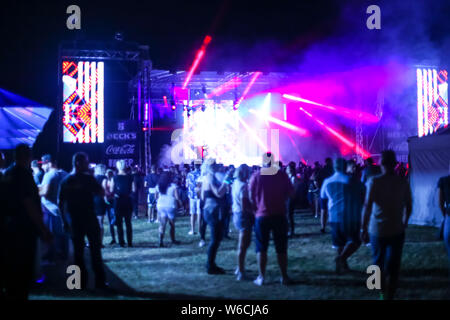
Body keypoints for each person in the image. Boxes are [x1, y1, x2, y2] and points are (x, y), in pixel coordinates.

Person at [2, 144, 52, 299]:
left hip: (10, 227)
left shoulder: (9, 173)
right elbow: (28, 203)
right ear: (27, 156)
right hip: (23, 228)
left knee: (12, 269)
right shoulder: (23, 175)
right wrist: (42, 228)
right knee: (23, 270)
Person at [361, 150, 412, 300]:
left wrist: (363, 228)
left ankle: (381, 294)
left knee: (377, 263)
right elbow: (409, 206)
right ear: (395, 164)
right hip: (396, 229)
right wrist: (404, 223)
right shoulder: (402, 182)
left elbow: (367, 206)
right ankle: (390, 295)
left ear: (381, 164)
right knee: (394, 266)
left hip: (377, 230)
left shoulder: (374, 181)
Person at [58, 152, 107, 290]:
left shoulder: (66, 180)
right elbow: (101, 192)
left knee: (77, 253)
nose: (88, 164)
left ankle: (78, 284)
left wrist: (64, 221)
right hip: (89, 219)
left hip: (73, 220)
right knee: (95, 252)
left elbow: (60, 203)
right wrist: (92, 177)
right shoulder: (87, 179)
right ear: (79, 163)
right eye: (86, 162)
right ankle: (100, 283)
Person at [249, 152, 294, 286]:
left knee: (261, 247)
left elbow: (250, 196)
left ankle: (261, 277)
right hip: (279, 214)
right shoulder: (281, 175)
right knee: (281, 247)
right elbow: (291, 193)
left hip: (262, 216)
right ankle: (284, 277)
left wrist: (255, 210)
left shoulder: (256, 176)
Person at [320, 158, 365, 274]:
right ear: (345, 167)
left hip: (334, 217)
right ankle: (341, 260)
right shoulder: (350, 180)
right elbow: (362, 192)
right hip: (348, 215)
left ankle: (341, 266)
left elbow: (323, 198)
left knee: (339, 243)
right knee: (356, 240)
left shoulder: (327, 181)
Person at [201, 159, 232, 274]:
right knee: (215, 239)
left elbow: (204, 196)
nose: (216, 166)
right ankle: (210, 266)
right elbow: (219, 193)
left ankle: (211, 264)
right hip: (212, 211)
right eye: (213, 164)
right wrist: (227, 180)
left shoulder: (209, 177)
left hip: (212, 210)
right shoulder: (209, 177)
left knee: (217, 238)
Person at [39, 154, 69, 262]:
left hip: (50, 209)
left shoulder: (49, 175)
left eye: (43, 164)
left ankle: (53, 254)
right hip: (62, 208)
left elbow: (45, 192)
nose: (42, 167)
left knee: (52, 233)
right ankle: (63, 254)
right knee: (62, 233)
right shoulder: (65, 174)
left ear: (48, 163)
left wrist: (34, 191)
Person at [232, 164, 254, 281]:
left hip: (236, 214)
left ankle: (239, 267)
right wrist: (255, 211)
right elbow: (244, 204)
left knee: (243, 244)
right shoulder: (243, 186)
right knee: (243, 245)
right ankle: (240, 272)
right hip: (243, 216)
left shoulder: (235, 183)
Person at [111, 160, 136, 248]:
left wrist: (117, 191)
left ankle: (121, 242)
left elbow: (111, 190)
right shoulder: (130, 177)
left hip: (118, 201)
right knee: (128, 223)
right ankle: (129, 242)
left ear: (118, 167)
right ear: (125, 166)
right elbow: (134, 189)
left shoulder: (115, 178)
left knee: (119, 223)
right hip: (127, 201)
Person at [156, 173, 181, 247]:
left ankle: (160, 240)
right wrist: (180, 204)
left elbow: (156, 197)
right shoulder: (173, 186)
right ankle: (173, 240)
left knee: (162, 224)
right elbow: (177, 197)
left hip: (161, 205)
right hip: (170, 205)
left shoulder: (158, 186)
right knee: (172, 224)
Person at [318, 158, 334, 232]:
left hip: (324, 191)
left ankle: (323, 227)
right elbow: (316, 178)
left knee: (323, 210)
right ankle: (329, 226)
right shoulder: (332, 170)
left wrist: (319, 187)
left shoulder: (323, 170)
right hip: (331, 191)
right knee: (330, 209)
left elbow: (316, 179)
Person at [94, 164, 107, 247]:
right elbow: (104, 191)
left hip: (92, 200)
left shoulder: (92, 178)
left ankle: (93, 241)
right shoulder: (104, 178)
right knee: (100, 222)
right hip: (100, 200)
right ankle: (100, 242)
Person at [186, 163, 202, 235]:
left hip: (192, 195)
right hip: (199, 195)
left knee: (192, 213)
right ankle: (199, 230)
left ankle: (192, 230)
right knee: (199, 213)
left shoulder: (189, 174)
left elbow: (187, 185)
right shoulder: (202, 174)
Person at [438, 173, 450, 261]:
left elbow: (440, 202)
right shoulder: (444, 180)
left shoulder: (444, 180)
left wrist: (445, 215)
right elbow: (440, 202)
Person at [103, 169, 117, 245]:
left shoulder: (114, 181)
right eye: (107, 173)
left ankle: (118, 237)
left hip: (113, 201)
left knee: (115, 219)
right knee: (110, 221)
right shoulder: (105, 181)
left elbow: (113, 191)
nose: (108, 175)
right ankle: (113, 238)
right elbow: (104, 191)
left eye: (109, 173)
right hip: (108, 202)